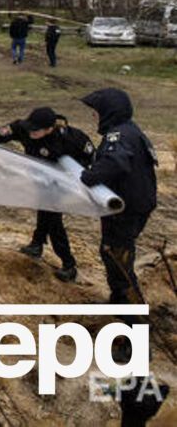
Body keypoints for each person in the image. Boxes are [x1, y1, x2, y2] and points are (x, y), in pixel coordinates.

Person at [0, 106, 94, 281]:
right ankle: (37, 244)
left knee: (53, 221)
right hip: (40, 179)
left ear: (49, 129)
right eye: (30, 128)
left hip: (60, 183)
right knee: (44, 209)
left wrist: (73, 178)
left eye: (36, 130)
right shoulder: (23, 128)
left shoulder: (70, 138)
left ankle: (69, 265)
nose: (31, 132)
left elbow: (90, 157)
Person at [79, 89, 158, 305]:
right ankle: (118, 302)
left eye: (96, 111)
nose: (93, 115)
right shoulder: (130, 130)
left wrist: (89, 176)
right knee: (113, 254)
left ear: (108, 112)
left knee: (119, 262)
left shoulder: (119, 135)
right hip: (134, 205)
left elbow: (115, 162)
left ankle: (134, 316)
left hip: (125, 209)